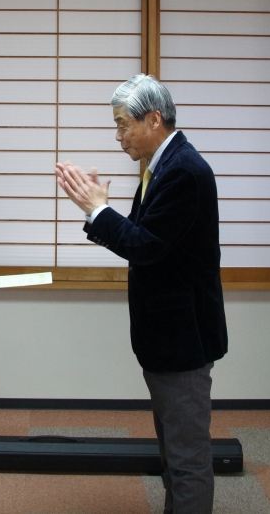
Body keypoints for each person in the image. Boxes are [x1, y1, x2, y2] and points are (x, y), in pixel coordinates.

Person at [55, 74, 228, 514]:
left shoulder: (184, 171)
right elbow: (142, 238)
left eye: (122, 125)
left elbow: (144, 246)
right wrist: (98, 212)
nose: (117, 137)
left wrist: (97, 209)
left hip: (182, 338)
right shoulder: (163, 166)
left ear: (153, 119)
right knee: (173, 449)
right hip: (165, 336)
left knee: (187, 456)